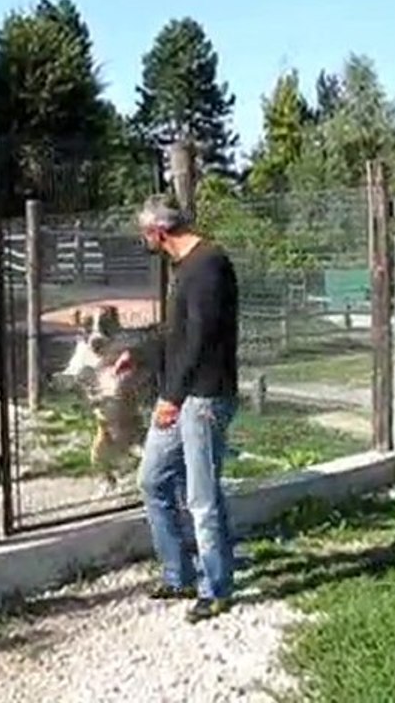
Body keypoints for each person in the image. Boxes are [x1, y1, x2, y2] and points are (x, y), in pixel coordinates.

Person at [136, 192, 239, 624]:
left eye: (145, 232)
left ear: (158, 232)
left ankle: (215, 589)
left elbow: (198, 340)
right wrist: (139, 354)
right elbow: (176, 332)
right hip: (184, 395)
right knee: (152, 479)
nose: (145, 239)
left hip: (203, 399)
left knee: (202, 497)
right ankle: (178, 574)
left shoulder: (208, 265)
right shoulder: (184, 267)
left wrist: (170, 398)